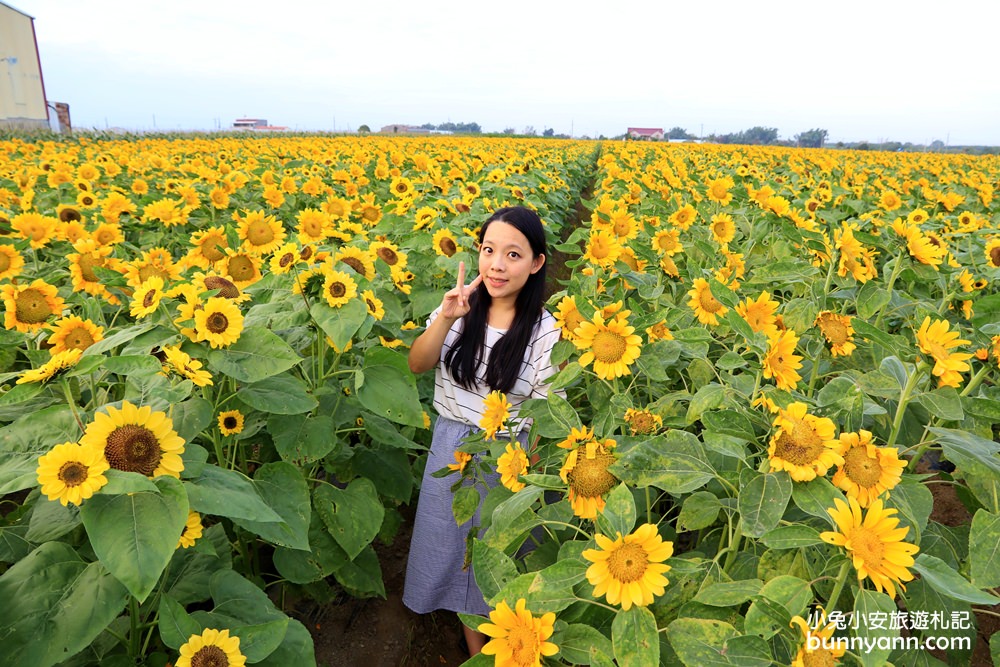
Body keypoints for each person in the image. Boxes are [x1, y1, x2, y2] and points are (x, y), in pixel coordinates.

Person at [402, 206, 561, 656]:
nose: (497, 265)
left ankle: (510, 650)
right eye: (489, 251)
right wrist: (447, 317)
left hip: (513, 458)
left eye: (513, 255)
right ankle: (480, 653)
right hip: (454, 446)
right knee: (456, 553)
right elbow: (418, 363)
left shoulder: (546, 331)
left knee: (499, 559)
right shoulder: (459, 308)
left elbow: (551, 409)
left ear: (536, 263)